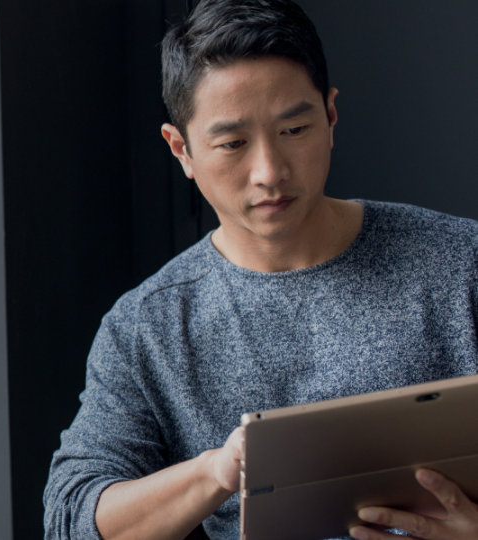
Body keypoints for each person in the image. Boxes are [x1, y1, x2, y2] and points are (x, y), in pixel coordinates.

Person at [42, 0, 478, 539]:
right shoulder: (147, 327)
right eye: (232, 144)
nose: (270, 172)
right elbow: (73, 520)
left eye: (295, 129)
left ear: (332, 115)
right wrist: (217, 471)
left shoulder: (461, 263)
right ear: (181, 149)